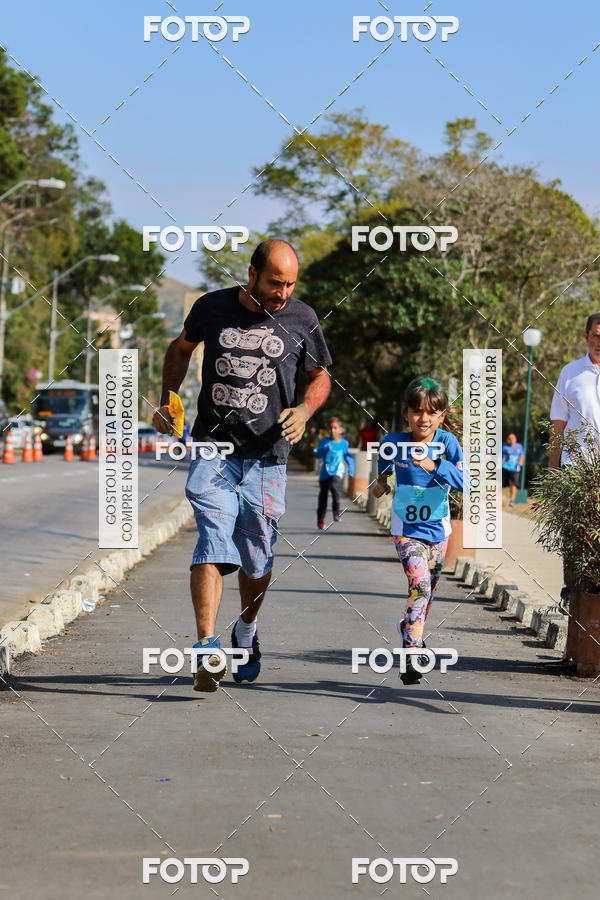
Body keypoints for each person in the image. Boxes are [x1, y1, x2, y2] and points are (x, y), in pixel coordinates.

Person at [153, 240, 332, 692]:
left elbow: (319, 376)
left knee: (258, 558)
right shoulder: (211, 307)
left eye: (290, 284)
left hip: (267, 458)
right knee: (213, 537)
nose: (283, 293)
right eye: (275, 283)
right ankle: (207, 648)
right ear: (251, 274)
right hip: (213, 448)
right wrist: (167, 400)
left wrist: (306, 411)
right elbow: (179, 349)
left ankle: (246, 631)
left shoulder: (302, 319)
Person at [372, 377, 466, 685]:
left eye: (430, 412)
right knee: (420, 587)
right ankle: (411, 655)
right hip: (405, 530)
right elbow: (383, 469)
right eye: (416, 411)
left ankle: (409, 628)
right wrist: (381, 484)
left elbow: (466, 483)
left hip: (438, 531)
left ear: (441, 416)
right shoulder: (392, 443)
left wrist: (432, 465)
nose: (422, 419)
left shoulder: (448, 444)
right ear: (407, 413)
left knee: (427, 594)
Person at [549, 312, 600, 607]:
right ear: (586, 337)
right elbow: (558, 425)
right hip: (575, 469)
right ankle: (573, 592)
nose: (599, 342)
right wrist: (553, 472)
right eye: (595, 335)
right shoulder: (570, 372)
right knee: (575, 535)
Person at [314, 416, 355, 529]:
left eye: (335, 428)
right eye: (330, 428)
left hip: (337, 472)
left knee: (336, 491)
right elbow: (317, 454)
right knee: (323, 498)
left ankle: (336, 512)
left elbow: (348, 456)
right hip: (324, 473)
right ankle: (320, 520)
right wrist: (325, 449)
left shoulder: (344, 443)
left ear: (340, 430)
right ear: (328, 430)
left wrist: (351, 470)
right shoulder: (324, 441)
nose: (332, 430)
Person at [501, 432, 524, 506]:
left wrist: (520, 463)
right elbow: (501, 456)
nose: (511, 440)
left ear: (515, 439)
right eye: (509, 439)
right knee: (501, 484)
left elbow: (521, 455)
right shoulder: (505, 447)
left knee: (513, 485)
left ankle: (512, 500)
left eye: (512, 438)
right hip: (505, 467)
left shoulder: (519, 446)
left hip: (515, 469)